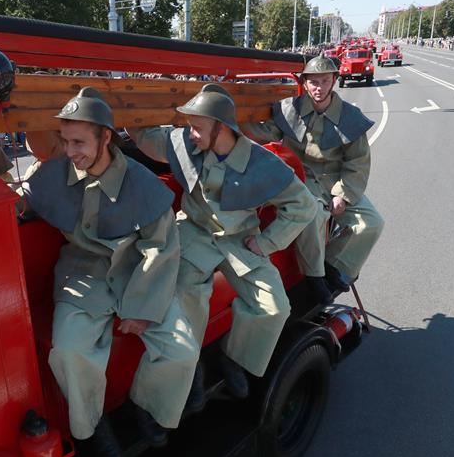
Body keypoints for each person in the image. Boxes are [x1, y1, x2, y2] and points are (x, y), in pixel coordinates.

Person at [22, 88, 199, 457]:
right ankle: (91, 426)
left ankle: (147, 406)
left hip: (140, 272)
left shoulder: (142, 184)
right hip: (82, 273)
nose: (71, 152)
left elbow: (162, 249)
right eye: (65, 141)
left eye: (79, 142)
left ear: (105, 136)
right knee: (69, 351)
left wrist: (142, 309)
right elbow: (23, 199)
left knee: (182, 349)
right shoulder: (53, 174)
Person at [129, 84, 316, 401]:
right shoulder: (187, 145)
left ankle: (233, 358)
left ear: (222, 128)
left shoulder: (262, 163)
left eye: (197, 127)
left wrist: (266, 243)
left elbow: (304, 206)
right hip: (194, 232)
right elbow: (150, 141)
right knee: (185, 294)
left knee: (274, 307)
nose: (191, 134)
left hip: (240, 238)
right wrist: (128, 113)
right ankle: (193, 366)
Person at [245, 56, 383, 294]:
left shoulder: (350, 116)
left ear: (334, 81)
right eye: (313, 82)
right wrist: (233, 126)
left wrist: (343, 195)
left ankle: (335, 267)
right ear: (305, 83)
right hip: (301, 176)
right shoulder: (290, 110)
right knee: (315, 216)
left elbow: (357, 162)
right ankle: (314, 276)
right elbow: (265, 133)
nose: (319, 88)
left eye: (325, 81)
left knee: (371, 222)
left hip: (336, 179)